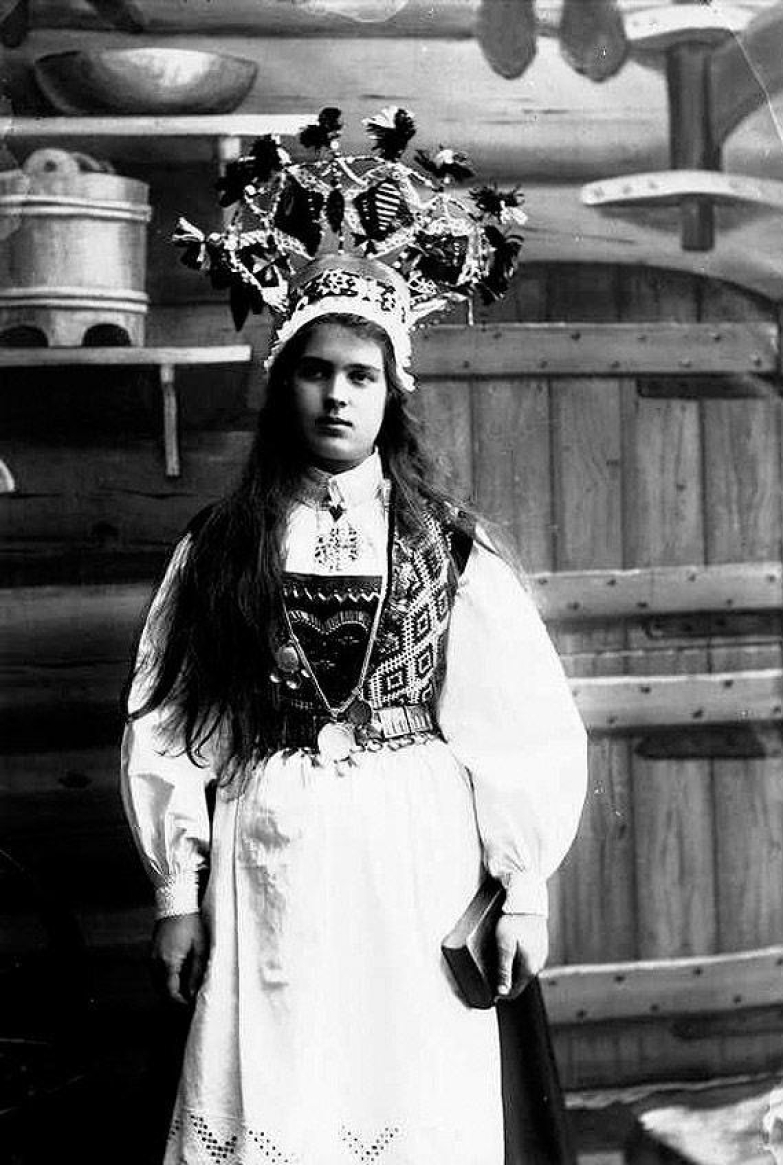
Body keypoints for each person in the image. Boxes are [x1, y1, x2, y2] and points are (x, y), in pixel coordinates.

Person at [121, 109, 587, 1165]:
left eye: (361, 375)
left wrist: (523, 893)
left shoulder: (447, 551)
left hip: (412, 856)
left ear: (393, 393)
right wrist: (174, 894)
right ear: (282, 380)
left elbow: (521, 731)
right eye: (316, 369)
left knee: (407, 1087)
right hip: (268, 853)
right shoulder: (224, 545)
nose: (337, 393)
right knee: (279, 1083)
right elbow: (171, 720)